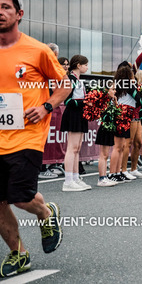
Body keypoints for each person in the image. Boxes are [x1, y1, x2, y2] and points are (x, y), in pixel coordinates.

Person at [0, 0, 68, 277]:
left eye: (6, 6)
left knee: (19, 197)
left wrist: (46, 107)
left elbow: (65, 84)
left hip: (27, 136)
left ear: (19, 14)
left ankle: (45, 212)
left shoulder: (37, 50)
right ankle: (19, 254)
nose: (0, 12)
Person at [60, 54, 91, 191]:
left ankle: (75, 177)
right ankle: (68, 181)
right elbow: (67, 101)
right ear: (78, 65)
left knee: (77, 148)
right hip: (73, 114)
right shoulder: (71, 79)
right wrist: (85, 102)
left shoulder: (78, 80)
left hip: (80, 114)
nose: (87, 67)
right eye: (85, 65)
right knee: (71, 148)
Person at [96, 81, 119, 187]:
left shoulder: (111, 101)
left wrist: (115, 102)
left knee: (106, 155)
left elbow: (117, 113)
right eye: (113, 89)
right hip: (104, 128)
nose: (115, 91)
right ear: (106, 90)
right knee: (103, 154)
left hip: (110, 128)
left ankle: (104, 176)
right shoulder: (103, 101)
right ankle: (101, 178)